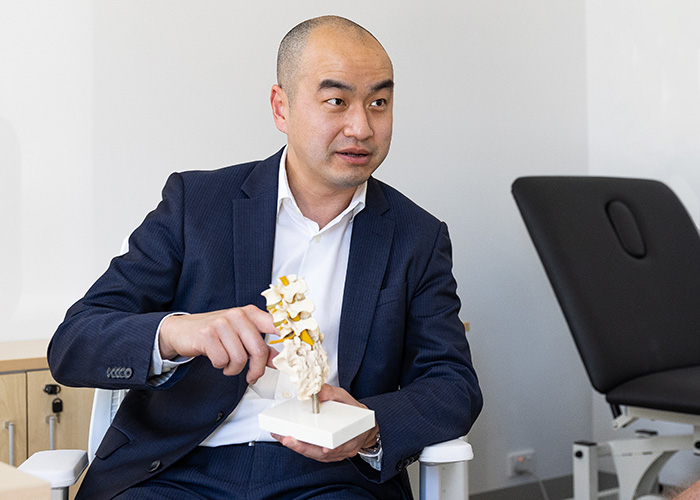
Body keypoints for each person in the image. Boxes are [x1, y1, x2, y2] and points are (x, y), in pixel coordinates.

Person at [48, 15, 482, 500]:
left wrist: (371, 427)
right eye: (336, 101)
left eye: (378, 103)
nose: (361, 126)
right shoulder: (197, 203)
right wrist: (175, 332)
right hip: (177, 466)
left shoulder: (415, 235)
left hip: (331, 478)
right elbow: (74, 342)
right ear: (282, 108)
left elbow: (452, 383)